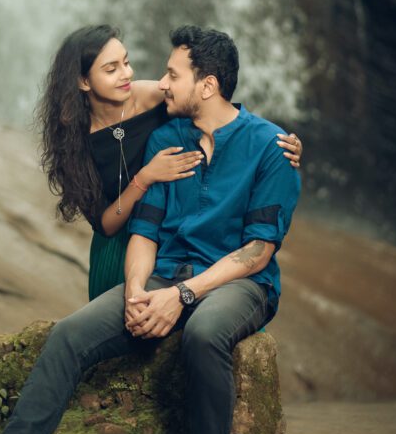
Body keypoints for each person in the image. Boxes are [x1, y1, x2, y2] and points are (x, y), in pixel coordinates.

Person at [0, 26, 302, 434]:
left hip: (237, 282)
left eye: (172, 74)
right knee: (68, 334)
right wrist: (134, 291)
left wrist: (183, 296)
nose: (155, 79)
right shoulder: (165, 140)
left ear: (207, 85)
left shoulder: (270, 146)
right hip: (156, 271)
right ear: (83, 82)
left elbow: (258, 251)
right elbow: (142, 231)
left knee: (204, 337)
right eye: (119, 67)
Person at [36, 24, 302, 300]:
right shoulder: (73, 139)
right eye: (111, 69)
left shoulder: (153, 96)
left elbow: (212, 106)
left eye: (126, 62)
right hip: (119, 248)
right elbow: (105, 225)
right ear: (84, 81)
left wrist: (274, 140)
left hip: (170, 235)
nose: (126, 74)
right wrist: (145, 178)